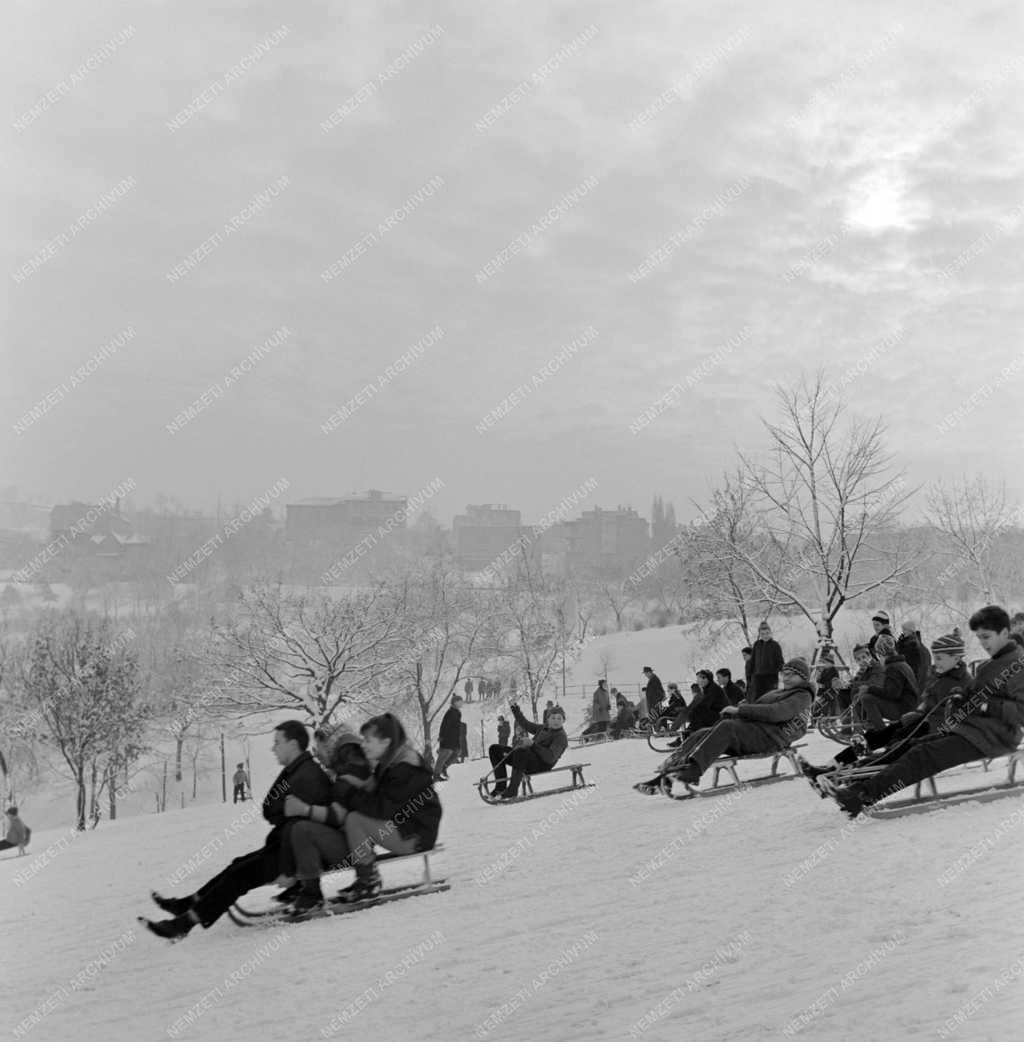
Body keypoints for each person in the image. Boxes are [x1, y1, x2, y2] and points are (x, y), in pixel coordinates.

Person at [827, 606, 1024, 818]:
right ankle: (858, 784)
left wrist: (985, 705)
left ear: (1004, 633)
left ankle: (861, 796)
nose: (983, 643)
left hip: (994, 736)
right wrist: (961, 697)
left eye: (987, 637)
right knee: (916, 747)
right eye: (979, 638)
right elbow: (976, 694)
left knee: (923, 755)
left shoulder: (1017, 664)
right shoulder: (993, 663)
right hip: (972, 730)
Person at [142, 720, 331, 940]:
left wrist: (291, 871)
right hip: (283, 845)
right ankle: (187, 905)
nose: (273, 748)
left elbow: (299, 826)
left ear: (293, 744)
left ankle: (184, 923)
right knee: (237, 866)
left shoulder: (306, 775)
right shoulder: (297, 769)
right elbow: (271, 808)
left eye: (278, 742)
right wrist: (279, 813)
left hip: (293, 852)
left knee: (240, 875)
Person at [286, 713, 442, 909]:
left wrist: (348, 792)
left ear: (386, 742)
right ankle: (366, 878)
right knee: (356, 818)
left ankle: (368, 880)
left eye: (369, 740)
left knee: (356, 820)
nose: (364, 745)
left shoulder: (404, 769)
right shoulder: (391, 763)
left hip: (416, 836)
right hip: (409, 829)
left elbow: (381, 808)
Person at [800, 633, 971, 784]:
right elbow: (927, 702)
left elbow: (952, 715)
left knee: (891, 748)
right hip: (915, 721)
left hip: (927, 729)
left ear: (956, 658)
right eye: (936, 658)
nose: (936, 662)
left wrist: (921, 718)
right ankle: (830, 767)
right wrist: (916, 713)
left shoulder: (963, 683)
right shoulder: (939, 676)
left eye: (940, 658)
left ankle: (841, 776)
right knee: (871, 739)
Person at [634, 658, 814, 793]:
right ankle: (664, 777)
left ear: (802, 677)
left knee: (727, 727)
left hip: (770, 737)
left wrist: (739, 711)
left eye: (791, 675)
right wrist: (739, 709)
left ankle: (693, 771)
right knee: (703, 733)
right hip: (755, 732)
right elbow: (761, 707)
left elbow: (777, 712)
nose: (786, 678)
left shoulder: (802, 695)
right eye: (784, 674)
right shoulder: (781, 692)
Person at [488, 703, 568, 799]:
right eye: (553, 718)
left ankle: (512, 790)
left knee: (521, 751)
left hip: (540, 765)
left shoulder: (560, 737)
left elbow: (550, 758)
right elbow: (526, 724)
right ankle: (500, 788)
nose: (556, 721)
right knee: (495, 749)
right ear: (548, 719)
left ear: (563, 720)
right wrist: (516, 710)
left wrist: (532, 744)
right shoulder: (543, 728)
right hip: (525, 759)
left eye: (559, 718)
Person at [854, 633, 919, 728]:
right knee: (867, 696)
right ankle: (870, 725)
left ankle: (882, 732)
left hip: (904, 708)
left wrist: (869, 689)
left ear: (880, 654)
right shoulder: (901, 664)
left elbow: (892, 693)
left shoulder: (892, 668)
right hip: (909, 704)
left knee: (867, 698)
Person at [668, 671, 727, 746]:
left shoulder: (713, 689)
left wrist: (690, 711)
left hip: (720, 716)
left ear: (705, 679)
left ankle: (685, 739)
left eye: (698, 679)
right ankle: (684, 738)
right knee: (695, 714)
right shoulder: (708, 688)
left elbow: (705, 705)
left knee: (696, 713)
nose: (697, 682)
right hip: (715, 715)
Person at [750, 622, 784, 698]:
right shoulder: (756, 644)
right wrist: (751, 674)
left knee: (770, 698)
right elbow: (752, 661)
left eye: (767, 633)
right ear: (760, 634)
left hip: (771, 677)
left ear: (770, 633)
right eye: (762, 634)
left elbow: (780, 661)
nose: (765, 635)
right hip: (758, 677)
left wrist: (782, 671)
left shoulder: (775, 645)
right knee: (759, 698)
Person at [433, 695, 463, 782]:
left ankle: (443, 768)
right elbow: (444, 725)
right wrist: (441, 736)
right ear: (455, 702)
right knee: (443, 756)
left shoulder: (457, 713)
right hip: (447, 737)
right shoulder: (450, 713)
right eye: (460, 701)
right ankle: (436, 775)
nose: (461, 703)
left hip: (454, 738)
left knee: (457, 751)